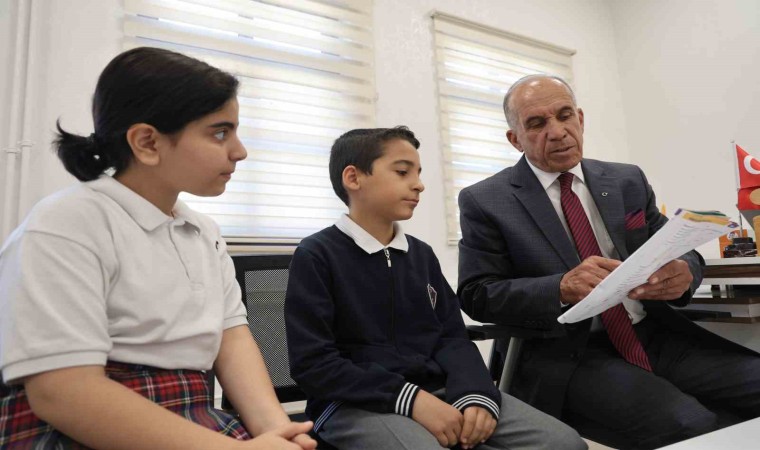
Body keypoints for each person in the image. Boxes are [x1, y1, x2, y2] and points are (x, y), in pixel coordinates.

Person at [0, 47, 316, 450]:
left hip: (191, 415)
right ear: (147, 142)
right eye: (220, 133)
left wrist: (277, 431)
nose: (240, 151)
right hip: (88, 424)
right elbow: (62, 391)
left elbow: (232, 339)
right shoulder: (66, 223)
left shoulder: (202, 232)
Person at [457, 74, 760, 449]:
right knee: (692, 423)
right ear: (514, 139)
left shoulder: (626, 180)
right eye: (536, 123)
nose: (558, 132)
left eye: (565, 115)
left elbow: (677, 246)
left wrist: (685, 271)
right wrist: (560, 287)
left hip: (654, 334)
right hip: (570, 353)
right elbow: (477, 294)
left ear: (580, 119)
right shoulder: (486, 200)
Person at [284, 126, 587, 450]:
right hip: (352, 403)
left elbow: (452, 337)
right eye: (403, 172)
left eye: (418, 173)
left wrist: (475, 395)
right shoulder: (317, 255)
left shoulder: (421, 255)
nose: (419, 184)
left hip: (439, 392)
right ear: (354, 178)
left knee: (565, 443)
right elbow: (314, 364)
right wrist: (411, 400)